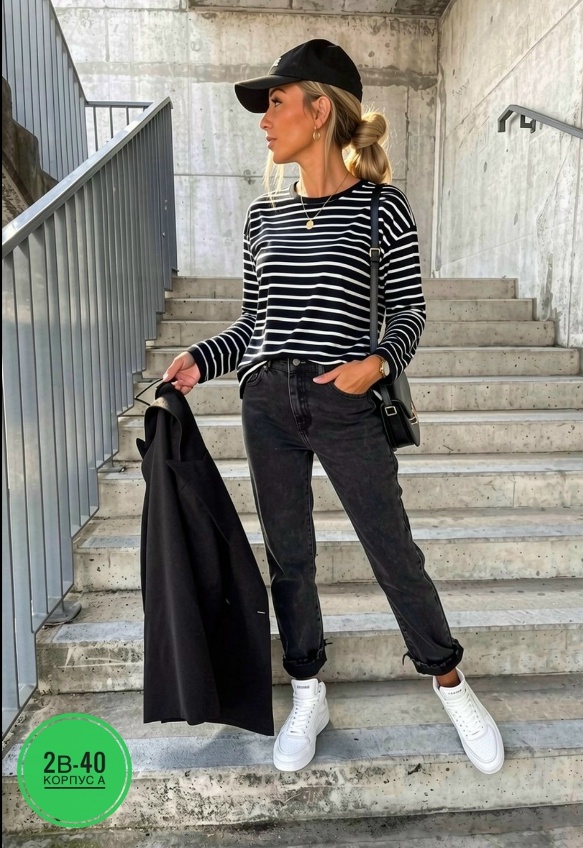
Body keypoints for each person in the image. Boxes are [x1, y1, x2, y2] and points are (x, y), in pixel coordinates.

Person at [162, 38, 504, 776]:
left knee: (392, 549)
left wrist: (376, 364)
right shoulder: (263, 218)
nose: (264, 120)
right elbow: (255, 325)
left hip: (346, 403)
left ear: (319, 111)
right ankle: (307, 690)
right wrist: (202, 359)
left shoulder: (382, 207)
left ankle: (449, 679)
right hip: (267, 403)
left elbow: (408, 311)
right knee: (290, 558)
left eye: (276, 103)